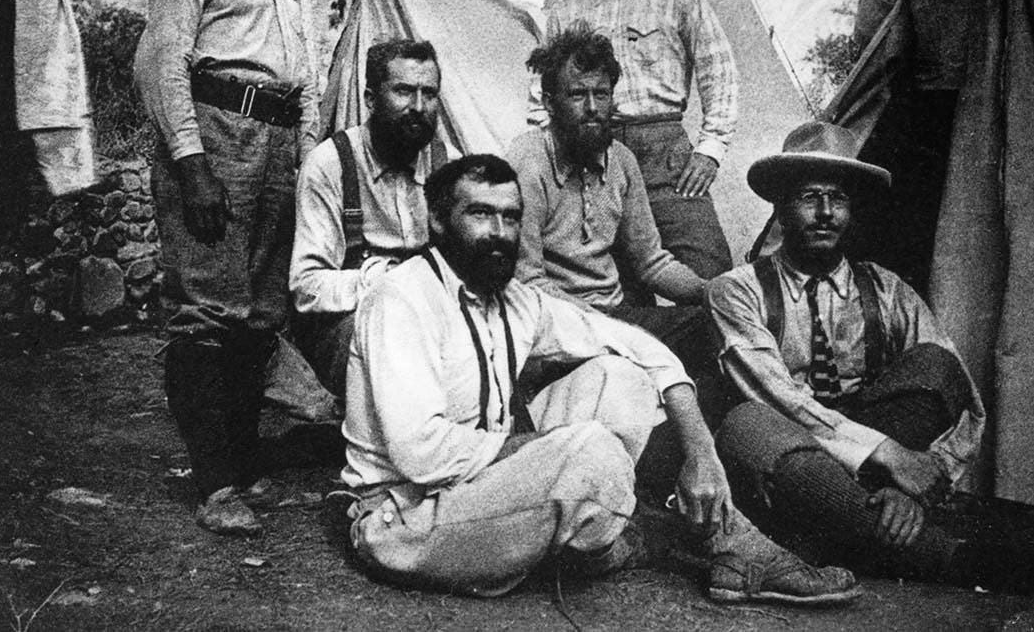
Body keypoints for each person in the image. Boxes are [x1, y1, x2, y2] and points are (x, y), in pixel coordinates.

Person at [339, 154, 859, 604]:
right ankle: (653, 540)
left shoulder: (516, 301)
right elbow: (420, 453)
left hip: (480, 485)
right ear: (437, 221)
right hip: (402, 516)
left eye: (511, 218)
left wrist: (703, 453)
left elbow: (642, 347)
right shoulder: (400, 298)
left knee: (621, 376)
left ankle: (705, 541)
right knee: (590, 451)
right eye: (480, 214)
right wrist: (551, 448)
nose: (499, 234)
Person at [705, 122, 1034, 591]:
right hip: (794, 463)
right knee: (746, 424)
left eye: (837, 199)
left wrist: (914, 484)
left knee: (936, 365)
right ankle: (954, 561)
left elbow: (961, 395)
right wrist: (890, 456)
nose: (824, 213)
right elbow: (776, 397)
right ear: (779, 206)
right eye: (808, 197)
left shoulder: (885, 287)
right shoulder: (735, 291)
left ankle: (838, 530)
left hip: (874, 472)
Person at [134, 0, 318, 537]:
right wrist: (190, 162)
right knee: (207, 310)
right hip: (216, 136)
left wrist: (300, 163)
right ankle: (215, 484)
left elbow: (296, 85)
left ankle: (240, 464)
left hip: (276, 145)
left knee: (260, 313)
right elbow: (162, 63)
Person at [539, 0, 738, 280]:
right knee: (614, 285)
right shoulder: (564, 14)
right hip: (595, 156)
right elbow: (540, 101)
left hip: (666, 156)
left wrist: (711, 147)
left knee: (712, 277)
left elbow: (719, 69)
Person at [510, 27, 719, 393]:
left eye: (601, 94)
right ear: (549, 102)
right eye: (577, 95)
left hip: (617, 316)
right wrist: (608, 328)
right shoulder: (525, 163)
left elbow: (651, 262)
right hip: (558, 327)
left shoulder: (622, 161)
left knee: (717, 325)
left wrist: (713, 292)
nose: (592, 108)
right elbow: (527, 281)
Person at [290, 38, 444, 399]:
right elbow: (306, 287)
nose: (418, 107)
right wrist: (385, 281)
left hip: (429, 319)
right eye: (404, 92)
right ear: (371, 100)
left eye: (429, 94)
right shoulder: (330, 164)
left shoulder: (445, 163)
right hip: (352, 325)